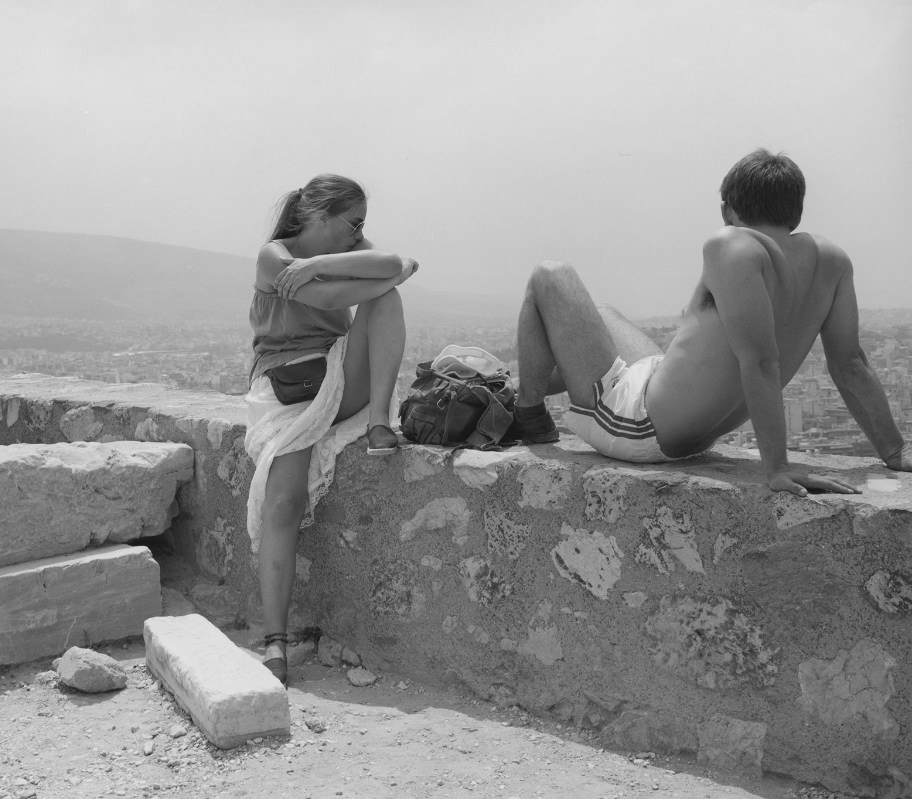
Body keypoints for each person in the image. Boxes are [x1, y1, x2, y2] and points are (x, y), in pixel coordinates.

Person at [513, 148, 910, 494]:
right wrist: (893, 449)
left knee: (550, 275)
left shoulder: (730, 245)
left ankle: (527, 413)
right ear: (796, 210)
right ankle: (513, 389)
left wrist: (777, 468)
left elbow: (759, 361)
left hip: (638, 428)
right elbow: (850, 364)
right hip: (680, 423)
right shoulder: (833, 261)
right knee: (604, 316)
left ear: (727, 210)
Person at [244, 174, 419, 686]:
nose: (360, 233)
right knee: (284, 501)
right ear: (318, 215)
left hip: (338, 378)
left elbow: (388, 266)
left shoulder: (335, 251)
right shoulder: (271, 256)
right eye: (353, 223)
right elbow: (369, 281)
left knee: (385, 299)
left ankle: (380, 423)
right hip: (288, 393)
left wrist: (319, 265)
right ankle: (274, 640)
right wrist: (386, 272)